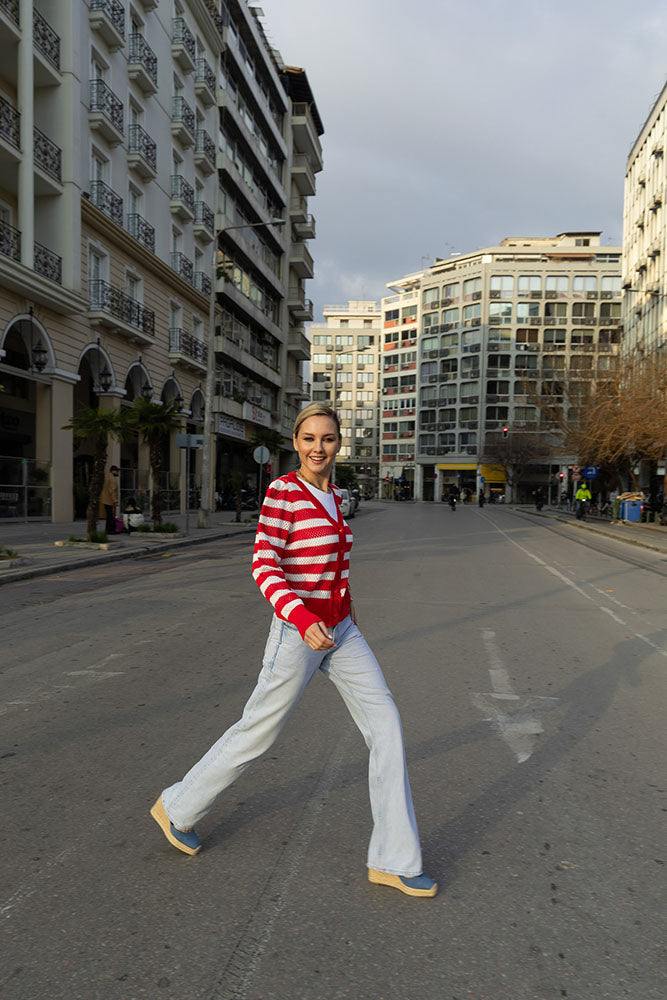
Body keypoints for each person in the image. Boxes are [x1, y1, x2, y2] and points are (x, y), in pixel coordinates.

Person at [150, 403, 437, 899]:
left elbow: (335, 569)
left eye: (327, 439)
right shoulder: (284, 491)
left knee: (386, 724)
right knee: (259, 731)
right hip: (296, 632)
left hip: (341, 631)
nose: (317, 448)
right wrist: (303, 621)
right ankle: (178, 807)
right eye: (308, 439)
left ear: (338, 444)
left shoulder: (338, 496)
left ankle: (394, 859)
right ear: (296, 442)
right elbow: (264, 564)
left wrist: (346, 617)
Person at [100, 465, 119, 534]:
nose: (117, 473)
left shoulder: (107, 476)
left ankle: (107, 530)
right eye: (117, 471)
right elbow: (112, 490)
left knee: (109, 516)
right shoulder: (113, 479)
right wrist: (115, 500)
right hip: (110, 500)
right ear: (113, 471)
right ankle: (111, 530)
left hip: (105, 499)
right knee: (111, 516)